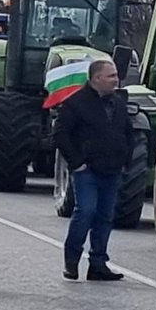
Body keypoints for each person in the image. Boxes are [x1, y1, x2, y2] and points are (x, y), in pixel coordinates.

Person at [55, 58, 130, 282]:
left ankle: (98, 264)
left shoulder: (118, 104)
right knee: (85, 211)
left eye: (116, 75)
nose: (116, 80)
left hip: (112, 169)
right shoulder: (75, 103)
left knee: (105, 217)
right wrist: (77, 162)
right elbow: (61, 134)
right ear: (96, 78)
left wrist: (125, 157)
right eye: (111, 76)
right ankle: (72, 261)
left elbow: (127, 131)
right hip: (87, 170)